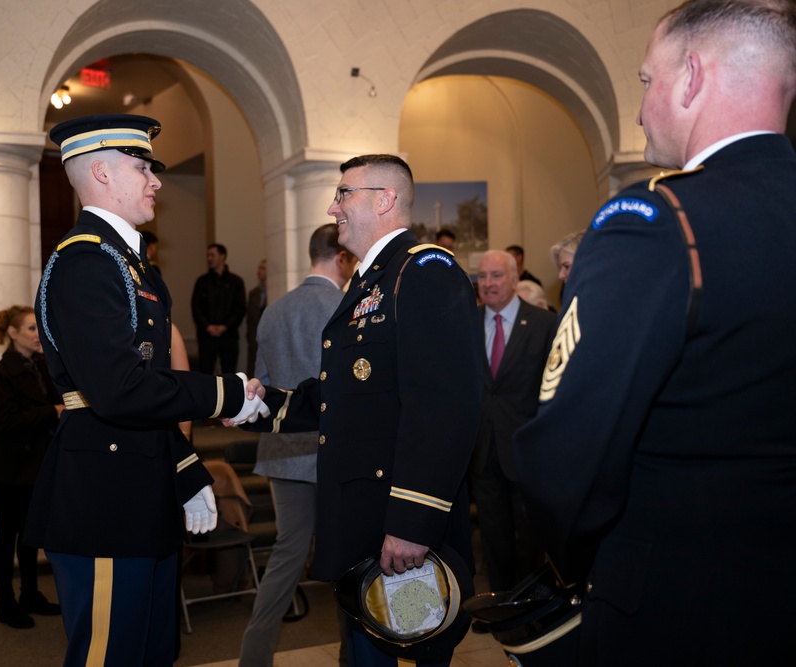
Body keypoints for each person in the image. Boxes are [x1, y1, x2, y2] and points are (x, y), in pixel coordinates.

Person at [514, 1, 796, 664]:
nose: (639, 111)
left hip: (679, 604)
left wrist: (573, 563)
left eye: (646, 81)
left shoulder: (654, 221)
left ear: (692, 77)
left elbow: (570, 454)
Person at [27, 113, 268, 667]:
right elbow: (118, 391)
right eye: (144, 168)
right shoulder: (86, 261)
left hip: (138, 482)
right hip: (104, 496)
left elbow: (145, 395)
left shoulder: (126, 261)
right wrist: (226, 394)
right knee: (112, 655)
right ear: (102, 174)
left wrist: (184, 470)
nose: (157, 180)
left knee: (154, 650)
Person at [239, 155, 484, 666]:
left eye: (343, 194)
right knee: (368, 649)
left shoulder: (423, 271)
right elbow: (343, 395)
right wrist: (257, 407)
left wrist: (413, 521)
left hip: (402, 531)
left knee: (416, 642)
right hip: (366, 524)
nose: (333, 207)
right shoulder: (371, 282)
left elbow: (445, 409)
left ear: (385, 199)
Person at [238, 224, 357, 667]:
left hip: (283, 450)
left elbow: (263, 389)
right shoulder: (346, 306)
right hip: (332, 453)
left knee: (287, 556)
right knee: (349, 561)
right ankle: (354, 657)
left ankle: (254, 658)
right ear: (342, 257)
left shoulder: (273, 309)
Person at [470, 251, 555, 593]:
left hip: (528, 450)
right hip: (483, 449)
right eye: (482, 276)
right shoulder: (466, 322)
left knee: (531, 536)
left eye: (496, 276)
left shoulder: (545, 324)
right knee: (493, 534)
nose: (488, 283)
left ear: (515, 279)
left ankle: (531, 606)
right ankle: (501, 603)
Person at [0, 305, 63, 629]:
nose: (38, 334)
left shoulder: (39, 364)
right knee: (8, 534)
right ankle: (6, 603)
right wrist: (52, 411)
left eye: (38, 327)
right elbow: (6, 422)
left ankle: (30, 594)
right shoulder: (4, 373)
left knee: (29, 534)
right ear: (12, 334)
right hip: (6, 466)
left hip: (31, 464)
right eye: (31, 329)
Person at [191, 243, 247, 374]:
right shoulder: (202, 281)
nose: (209, 258)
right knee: (205, 373)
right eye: (208, 255)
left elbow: (240, 308)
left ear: (222, 256)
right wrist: (207, 326)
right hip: (206, 336)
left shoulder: (236, 281)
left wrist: (225, 326)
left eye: (212, 255)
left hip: (229, 336)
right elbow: (196, 307)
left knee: (229, 373)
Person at [245, 259, 267, 377]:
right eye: (259, 268)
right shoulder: (253, 293)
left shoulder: (275, 292)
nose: (260, 271)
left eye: (263, 268)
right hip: (254, 339)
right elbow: (250, 319)